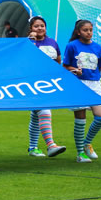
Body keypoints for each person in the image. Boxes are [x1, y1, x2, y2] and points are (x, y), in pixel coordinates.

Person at [63, 19, 101, 163]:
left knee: (100, 117)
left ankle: (87, 143)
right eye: (85, 30)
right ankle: (80, 153)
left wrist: (95, 78)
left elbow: (99, 68)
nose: (89, 33)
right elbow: (65, 66)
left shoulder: (98, 47)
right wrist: (74, 70)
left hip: (94, 84)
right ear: (78, 32)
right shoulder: (72, 46)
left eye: (90, 30)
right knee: (80, 120)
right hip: (78, 84)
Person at [25, 16, 67, 158]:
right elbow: (25, 59)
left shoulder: (52, 42)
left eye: (42, 26)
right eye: (36, 26)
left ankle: (33, 148)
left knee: (36, 115)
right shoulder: (28, 43)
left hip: (48, 83)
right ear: (31, 28)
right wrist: (31, 41)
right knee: (44, 111)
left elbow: (58, 61)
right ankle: (51, 145)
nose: (40, 28)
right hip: (33, 83)